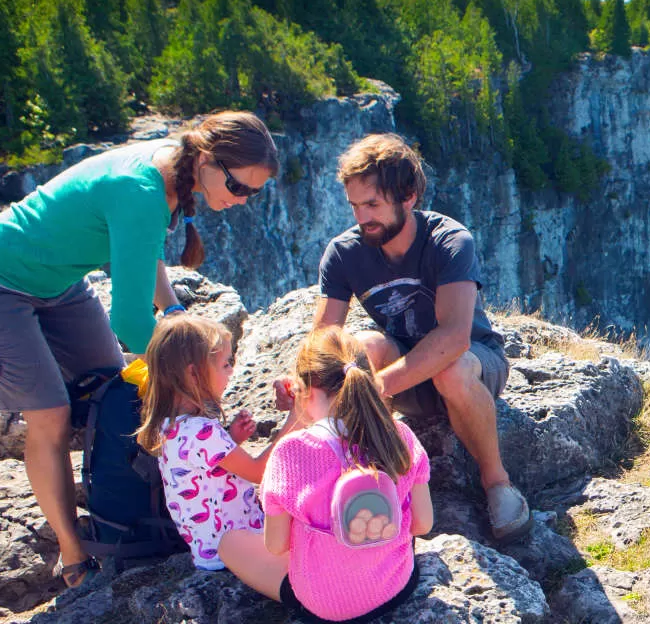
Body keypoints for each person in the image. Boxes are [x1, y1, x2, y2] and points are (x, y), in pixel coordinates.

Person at [0, 111, 278, 587]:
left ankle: (138, 506)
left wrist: (176, 314)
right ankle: (73, 554)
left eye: (253, 194)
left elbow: (141, 253)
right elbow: (130, 322)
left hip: (55, 277)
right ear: (207, 158)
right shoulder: (143, 189)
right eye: (240, 187)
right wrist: (191, 369)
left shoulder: (172, 170)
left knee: (114, 391)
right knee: (51, 413)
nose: (241, 200)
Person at [312, 134, 530, 541]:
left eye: (373, 205)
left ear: (408, 196)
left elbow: (454, 338)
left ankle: (497, 482)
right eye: (355, 206)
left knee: (451, 370)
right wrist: (306, 384)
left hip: (475, 364)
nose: (362, 217)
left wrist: (377, 386)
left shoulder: (448, 241)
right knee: (360, 348)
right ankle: (367, 484)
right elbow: (325, 338)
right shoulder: (344, 253)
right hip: (407, 367)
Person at [219, 327, 433, 622]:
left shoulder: (291, 452)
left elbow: (276, 545)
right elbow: (422, 525)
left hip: (323, 606)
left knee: (229, 542)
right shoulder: (400, 435)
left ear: (307, 392)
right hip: (396, 587)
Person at [134, 315, 299, 570]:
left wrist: (231, 439)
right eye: (225, 365)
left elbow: (201, 468)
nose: (231, 371)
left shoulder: (171, 425)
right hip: (239, 551)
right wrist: (295, 419)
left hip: (208, 552)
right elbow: (258, 472)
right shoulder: (203, 432)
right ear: (194, 374)